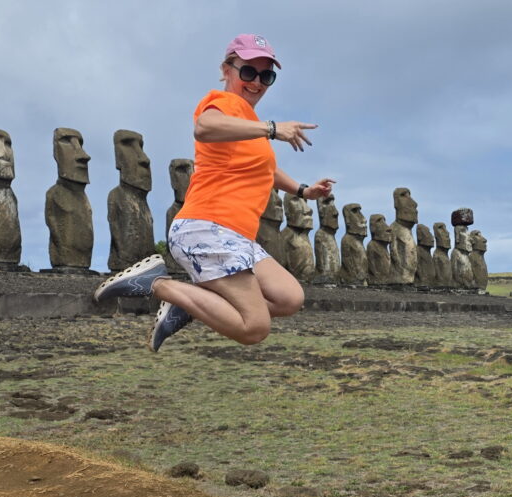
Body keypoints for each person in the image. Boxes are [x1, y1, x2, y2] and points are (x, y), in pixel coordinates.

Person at [94, 34, 335, 351]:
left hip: (238, 235)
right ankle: (156, 283)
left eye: (267, 76)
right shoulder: (225, 103)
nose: (257, 82)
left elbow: (266, 170)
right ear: (227, 69)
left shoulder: (247, 122)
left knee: (289, 297)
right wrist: (273, 129)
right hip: (208, 227)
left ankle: (192, 303)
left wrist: (304, 191)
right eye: (248, 71)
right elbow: (204, 127)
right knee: (254, 327)